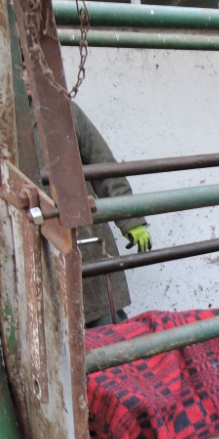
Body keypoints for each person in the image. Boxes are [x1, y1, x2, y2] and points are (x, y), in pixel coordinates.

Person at [63, 103, 152, 327]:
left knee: (107, 326)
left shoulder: (63, 109)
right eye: (20, 66)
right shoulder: (3, 120)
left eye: (30, 67)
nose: (25, 75)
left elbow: (102, 164)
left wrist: (130, 220)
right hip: (28, 241)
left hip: (85, 236)